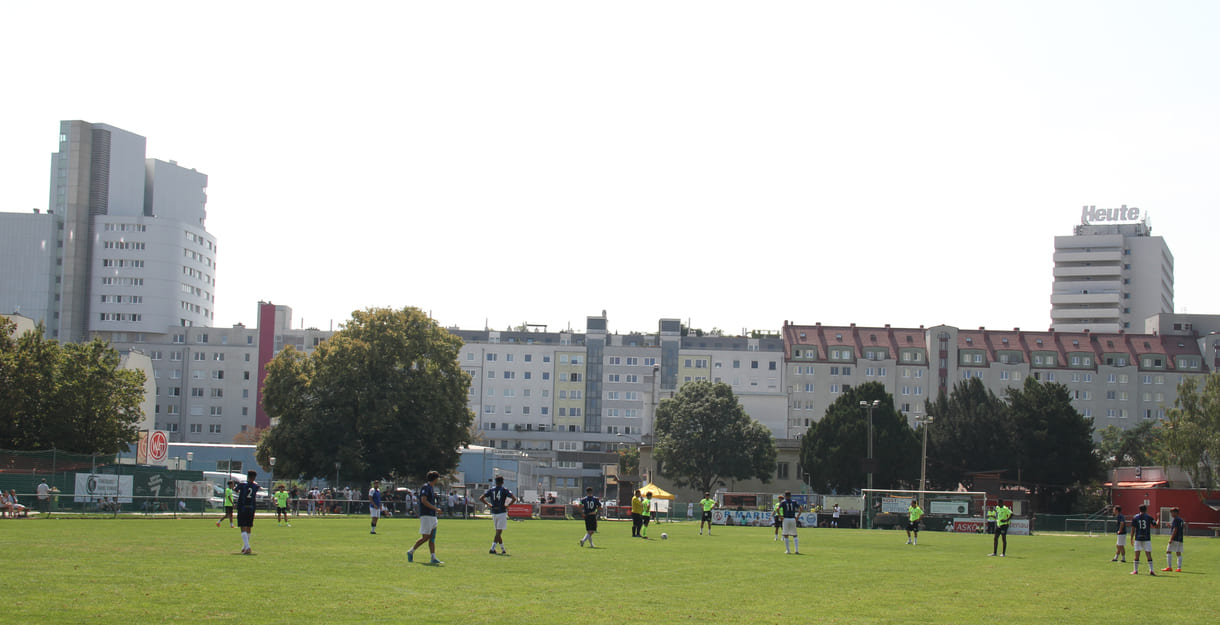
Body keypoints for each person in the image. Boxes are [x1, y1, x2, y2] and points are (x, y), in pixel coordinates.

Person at [408, 471, 443, 564]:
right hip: (426, 515)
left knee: (432, 537)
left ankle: (433, 557)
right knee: (425, 537)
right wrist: (436, 508)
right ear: (435, 478)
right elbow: (423, 500)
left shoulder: (431, 488)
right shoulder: (426, 487)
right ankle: (411, 551)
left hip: (432, 515)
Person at [479, 475, 516, 554]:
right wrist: (508, 505)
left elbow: (481, 498)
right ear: (502, 482)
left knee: (498, 532)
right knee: (498, 532)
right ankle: (492, 548)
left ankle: (503, 549)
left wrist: (489, 504)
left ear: (495, 482)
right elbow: (514, 498)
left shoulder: (491, 490)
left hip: (494, 513)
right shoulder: (505, 490)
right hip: (501, 512)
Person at [234, 470, 260, 555]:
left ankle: (247, 547)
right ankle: (244, 547)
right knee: (249, 527)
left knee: (243, 527)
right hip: (251, 508)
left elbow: (236, 490)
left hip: (243, 507)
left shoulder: (242, 484)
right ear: (254, 477)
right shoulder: (256, 486)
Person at [1130, 503, 1158, 575]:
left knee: (1137, 554)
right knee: (1148, 554)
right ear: (1146, 510)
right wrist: (1158, 518)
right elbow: (1156, 526)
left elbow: (1133, 529)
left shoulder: (1135, 517)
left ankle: (1135, 570)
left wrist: (1131, 538)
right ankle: (1151, 570)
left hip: (1138, 538)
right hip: (1146, 538)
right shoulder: (1149, 517)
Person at [1163, 507, 1185, 572]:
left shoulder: (1176, 519)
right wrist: (1170, 526)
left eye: (1172, 513)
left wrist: (1171, 539)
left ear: (1176, 513)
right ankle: (1179, 568)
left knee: (1168, 551)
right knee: (1178, 552)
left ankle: (1169, 567)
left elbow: (1175, 530)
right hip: (1180, 538)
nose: (1171, 514)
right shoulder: (1181, 520)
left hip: (1175, 538)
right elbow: (1178, 528)